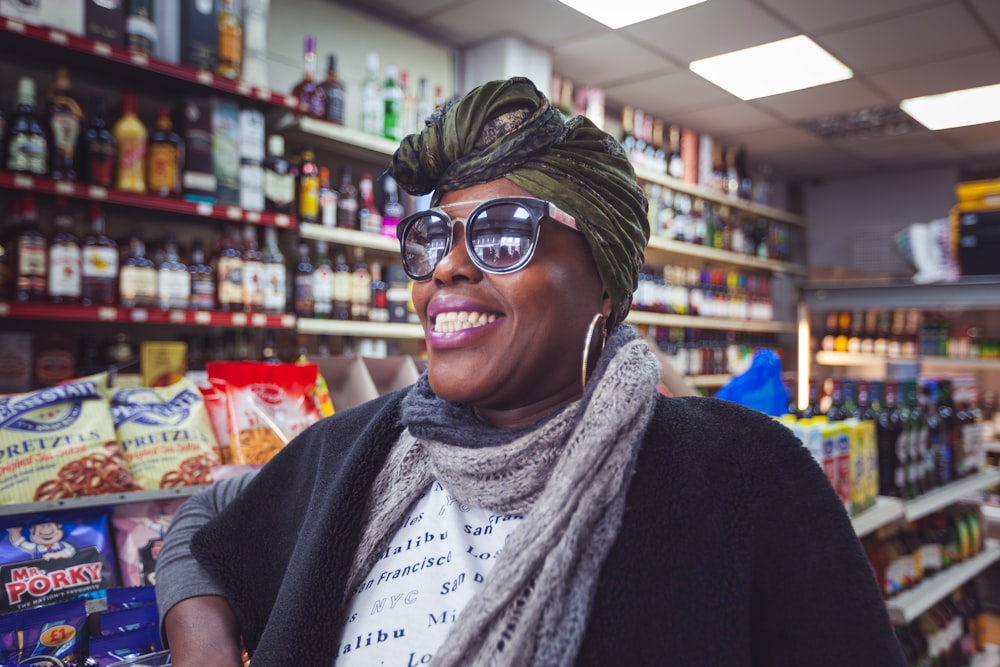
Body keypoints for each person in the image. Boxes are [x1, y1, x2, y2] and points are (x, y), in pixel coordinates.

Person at [156, 77, 905, 666]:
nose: (446, 266)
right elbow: (204, 519)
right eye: (430, 238)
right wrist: (204, 641)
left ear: (604, 281)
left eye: (503, 233)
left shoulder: (743, 471)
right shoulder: (358, 450)